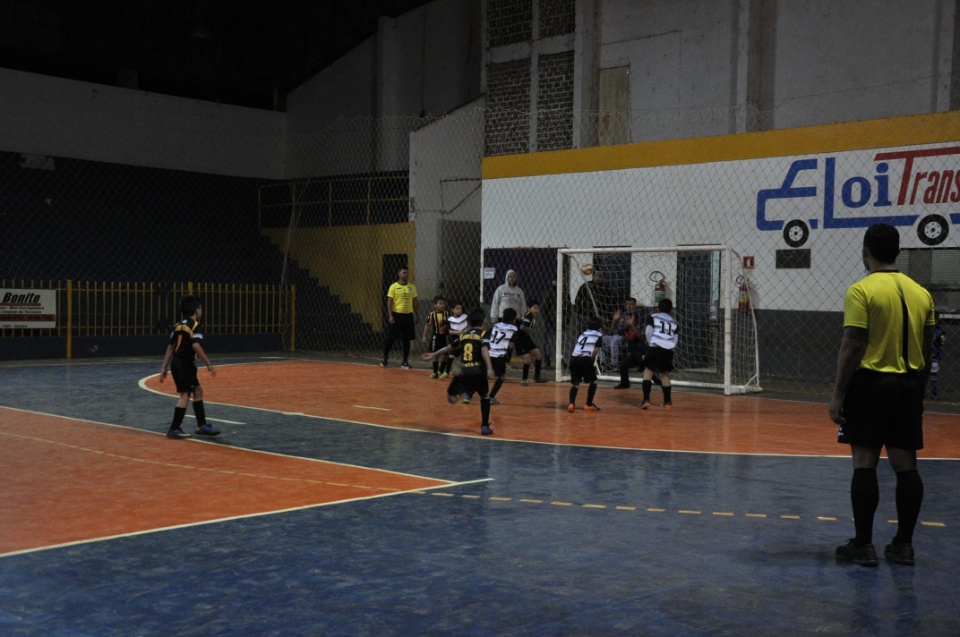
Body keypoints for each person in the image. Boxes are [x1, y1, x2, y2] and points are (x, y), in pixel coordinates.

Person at [829, 223, 934, 567]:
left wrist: (838, 393)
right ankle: (904, 545)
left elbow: (852, 344)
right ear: (898, 252)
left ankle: (863, 545)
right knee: (906, 465)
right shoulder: (921, 293)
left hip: (871, 385)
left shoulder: (861, 291)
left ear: (865, 251)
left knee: (865, 462)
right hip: (909, 386)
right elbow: (929, 347)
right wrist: (916, 387)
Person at [421, 307, 496, 436]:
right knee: (485, 397)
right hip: (479, 371)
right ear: (483, 323)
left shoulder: (464, 335)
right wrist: (489, 368)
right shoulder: (483, 334)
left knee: (451, 399)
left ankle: (461, 389)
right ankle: (484, 426)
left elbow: (448, 347)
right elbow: (484, 350)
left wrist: (434, 355)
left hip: (465, 371)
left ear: (469, 323)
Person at [160, 294, 219, 439]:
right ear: (197, 310)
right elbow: (196, 345)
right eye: (201, 308)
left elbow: (170, 347)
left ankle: (201, 425)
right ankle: (174, 428)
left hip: (180, 363)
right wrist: (208, 363)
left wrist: (164, 367)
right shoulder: (195, 326)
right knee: (185, 395)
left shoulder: (179, 325)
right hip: (183, 364)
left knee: (198, 390)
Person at [641, 298, 679, 410]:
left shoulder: (652, 317)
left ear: (658, 308)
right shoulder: (674, 322)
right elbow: (675, 339)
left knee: (648, 372)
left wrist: (651, 344)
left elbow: (648, 332)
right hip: (668, 350)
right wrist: (670, 348)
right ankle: (668, 402)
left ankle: (646, 400)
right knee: (664, 375)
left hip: (655, 346)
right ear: (670, 310)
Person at [381, 266, 418, 369]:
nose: (406, 275)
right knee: (391, 338)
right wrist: (390, 315)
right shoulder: (393, 287)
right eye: (403, 273)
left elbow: (415, 302)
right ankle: (385, 358)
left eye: (407, 273)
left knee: (407, 339)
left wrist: (417, 314)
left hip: (408, 316)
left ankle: (405, 361)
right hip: (397, 315)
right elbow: (390, 302)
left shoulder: (412, 287)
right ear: (399, 274)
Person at [567, 316, 604, 412]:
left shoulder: (583, 334)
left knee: (575, 383)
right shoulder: (599, 335)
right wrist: (591, 361)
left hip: (574, 359)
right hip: (585, 359)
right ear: (599, 327)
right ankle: (588, 404)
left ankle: (571, 404)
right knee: (594, 381)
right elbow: (595, 350)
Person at [486, 308, 519, 405]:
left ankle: (469, 394)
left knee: (483, 375)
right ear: (514, 319)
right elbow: (511, 345)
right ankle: (491, 396)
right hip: (499, 355)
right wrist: (508, 359)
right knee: (502, 376)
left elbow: (487, 337)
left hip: (488, 353)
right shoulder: (514, 329)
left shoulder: (495, 326)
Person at [514, 300, 549, 385]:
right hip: (520, 339)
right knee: (528, 361)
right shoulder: (529, 316)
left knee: (539, 356)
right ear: (529, 308)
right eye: (534, 308)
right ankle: (524, 380)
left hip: (526, 338)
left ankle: (537, 377)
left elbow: (519, 323)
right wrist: (533, 331)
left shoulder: (529, 316)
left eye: (538, 308)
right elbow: (522, 327)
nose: (536, 310)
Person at [602, 297, 643, 369]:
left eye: (631, 304)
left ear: (635, 305)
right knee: (600, 339)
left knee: (615, 341)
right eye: (627, 304)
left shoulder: (638, 315)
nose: (629, 306)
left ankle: (614, 365)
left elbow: (639, 335)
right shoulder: (623, 315)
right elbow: (612, 332)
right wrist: (614, 320)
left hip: (627, 337)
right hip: (617, 335)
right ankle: (602, 363)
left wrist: (631, 325)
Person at [540, 279, 569, 369]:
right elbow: (544, 307)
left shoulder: (565, 294)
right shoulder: (550, 293)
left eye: (563, 281)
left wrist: (566, 321)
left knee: (562, 343)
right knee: (549, 342)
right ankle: (547, 361)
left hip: (562, 323)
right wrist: (548, 320)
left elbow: (568, 309)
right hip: (551, 322)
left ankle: (561, 360)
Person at [422, 295, 450, 378]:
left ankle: (441, 370)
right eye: (440, 303)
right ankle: (435, 372)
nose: (442, 305)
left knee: (446, 354)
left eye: (443, 304)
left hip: (444, 336)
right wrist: (424, 336)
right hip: (436, 337)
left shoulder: (446, 313)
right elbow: (428, 325)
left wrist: (447, 328)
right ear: (435, 305)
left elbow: (449, 324)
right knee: (435, 354)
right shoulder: (432, 314)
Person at [929, 312, 945, 399]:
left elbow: (941, 343)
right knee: (933, 375)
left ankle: (933, 393)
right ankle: (933, 394)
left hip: (932, 354)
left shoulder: (938, 331)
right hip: (933, 355)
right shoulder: (940, 331)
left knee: (932, 375)